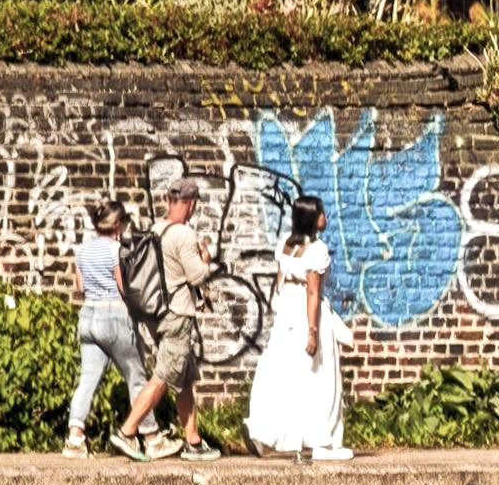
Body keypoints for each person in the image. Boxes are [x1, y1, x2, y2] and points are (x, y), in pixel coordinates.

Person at [111, 179, 221, 462]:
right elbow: (196, 276)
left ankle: (193, 441)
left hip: (157, 313)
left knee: (184, 378)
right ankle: (128, 430)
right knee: (164, 376)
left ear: (169, 201)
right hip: (177, 315)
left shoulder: (157, 229)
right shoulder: (183, 234)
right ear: (191, 204)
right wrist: (206, 259)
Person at [246, 192, 353, 461]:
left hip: (287, 313)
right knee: (323, 377)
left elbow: (280, 281)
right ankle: (323, 442)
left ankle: (264, 429)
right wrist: (313, 332)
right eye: (321, 213)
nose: (325, 217)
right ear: (312, 219)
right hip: (307, 315)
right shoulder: (317, 250)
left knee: (285, 375)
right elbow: (313, 293)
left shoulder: (285, 245)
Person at [62, 200, 139, 454]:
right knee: (136, 376)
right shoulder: (116, 250)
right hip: (113, 314)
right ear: (117, 224)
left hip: (88, 315)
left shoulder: (83, 250)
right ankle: (150, 434)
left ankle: (75, 437)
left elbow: (81, 286)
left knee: (87, 379)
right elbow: (122, 286)